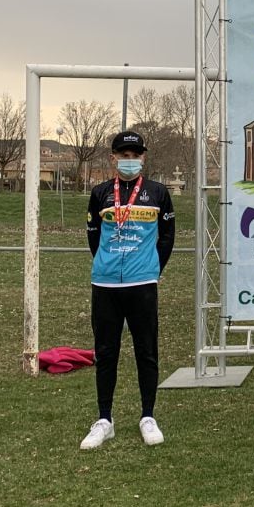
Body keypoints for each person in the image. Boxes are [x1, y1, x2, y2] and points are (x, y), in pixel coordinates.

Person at [80, 131, 175, 450]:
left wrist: (150, 269)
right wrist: (108, 263)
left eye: (135, 154)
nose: (130, 160)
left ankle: (148, 416)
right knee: (106, 352)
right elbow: (94, 236)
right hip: (105, 284)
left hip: (143, 285)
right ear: (113, 157)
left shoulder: (158, 192)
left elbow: (167, 236)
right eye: (124, 154)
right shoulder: (100, 193)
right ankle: (104, 420)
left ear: (143, 158)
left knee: (146, 351)